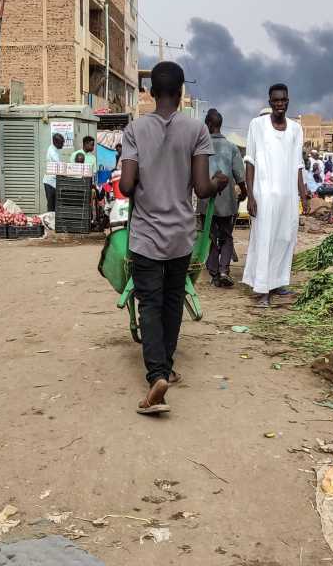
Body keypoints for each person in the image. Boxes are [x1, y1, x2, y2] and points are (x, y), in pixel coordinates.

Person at [119, 61, 228, 416]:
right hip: (181, 236)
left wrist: (139, 180)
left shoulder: (135, 129)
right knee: (172, 300)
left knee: (149, 303)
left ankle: (157, 375)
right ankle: (165, 366)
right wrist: (219, 183)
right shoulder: (197, 129)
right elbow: (201, 187)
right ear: (181, 93)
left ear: (150, 93)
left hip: (146, 236)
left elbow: (125, 185)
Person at [243, 83, 309, 308]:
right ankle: (262, 290)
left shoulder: (296, 129)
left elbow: (298, 164)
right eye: (276, 100)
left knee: (284, 238)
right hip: (264, 195)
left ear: (288, 101)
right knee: (264, 240)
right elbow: (250, 161)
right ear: (270, 102)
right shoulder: (257, 125)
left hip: (288, 196)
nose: (280, 104)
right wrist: (250, 196)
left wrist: (303, 195)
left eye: (284, 100)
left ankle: (278, 281)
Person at [198, 109, 246, 288]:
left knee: (209, 236)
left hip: (206, 200)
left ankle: (214, 273)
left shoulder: (200, 146)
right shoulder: (232, 147)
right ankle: (224, 270)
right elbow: (239, 175)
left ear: (209, 124)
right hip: (227, 201)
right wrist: (244, 192)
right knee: (226, 236)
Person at [42, 133, 64, 212]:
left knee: (55, 204)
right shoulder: (52, 151)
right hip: (50, 182)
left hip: (54, 182)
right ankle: (50, 221)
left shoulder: (55, 150)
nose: (63, 144)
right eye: (61, 143)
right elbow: (59, 164)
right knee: (51, 205)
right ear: (55, 142)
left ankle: (54, 221)